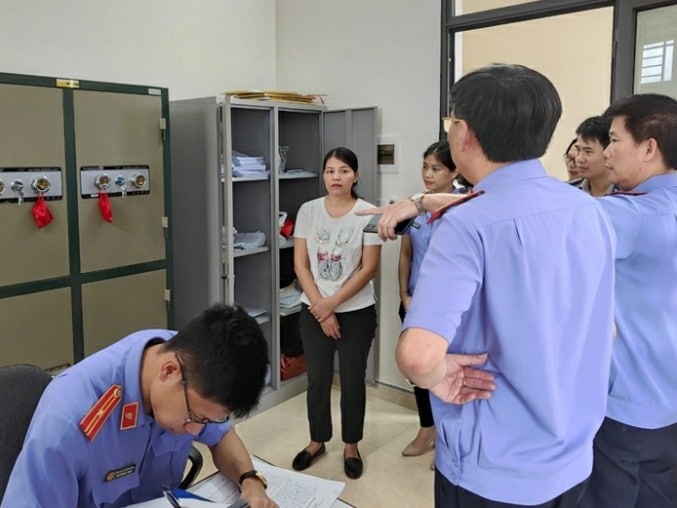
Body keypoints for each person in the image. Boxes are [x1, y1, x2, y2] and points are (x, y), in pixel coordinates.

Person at [358, 63, 616, 507]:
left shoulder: (465, 225)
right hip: (573, 458)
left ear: (465, 133)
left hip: (492, 469)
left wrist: (438, 376)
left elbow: (418, 356)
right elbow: (606, 329)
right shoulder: (590, 210)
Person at [2, 304, 277, 508]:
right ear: (169, 372)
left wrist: (250, 480)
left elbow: (222, 435)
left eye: (206, 420)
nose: (196, 430)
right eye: (194, 417)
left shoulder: (194, 362)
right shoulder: (70, 419)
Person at [579, 94, 677, 508]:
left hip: (627, 408)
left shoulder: (631, 214)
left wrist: (427, 202)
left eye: (614, 140)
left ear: (649, 147)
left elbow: (536, 220)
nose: (607, 152)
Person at [291, 146, 381, 480]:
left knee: (353, 380)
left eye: (343, 171)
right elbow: (300, 264)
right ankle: (317, 441)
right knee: (317, 379)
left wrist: (332, 304)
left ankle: (351, 446)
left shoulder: (369, 214)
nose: (336, 177)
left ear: (356, 176)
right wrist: (322, 308)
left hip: (356, 312)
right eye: (330, 171)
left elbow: (369, 268)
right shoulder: (309, 210)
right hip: (314, 310)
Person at [399, 140, 461, 460]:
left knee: (447, 372)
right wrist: (403, 295)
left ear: (454, 171)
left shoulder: (463, 208)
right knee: (419, 370)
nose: (428, 174)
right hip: (414, 303)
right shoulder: (415, 208)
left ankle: (448, 440)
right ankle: (427, 428)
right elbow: (406, 255)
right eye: (425, 166)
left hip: (447, 310)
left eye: (436, 168)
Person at [572, 115, 616, 196]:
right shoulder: (568, 192)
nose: (579, 159)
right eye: (578, 150)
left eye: (588, 152)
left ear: (608, 152)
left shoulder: (627, 196)